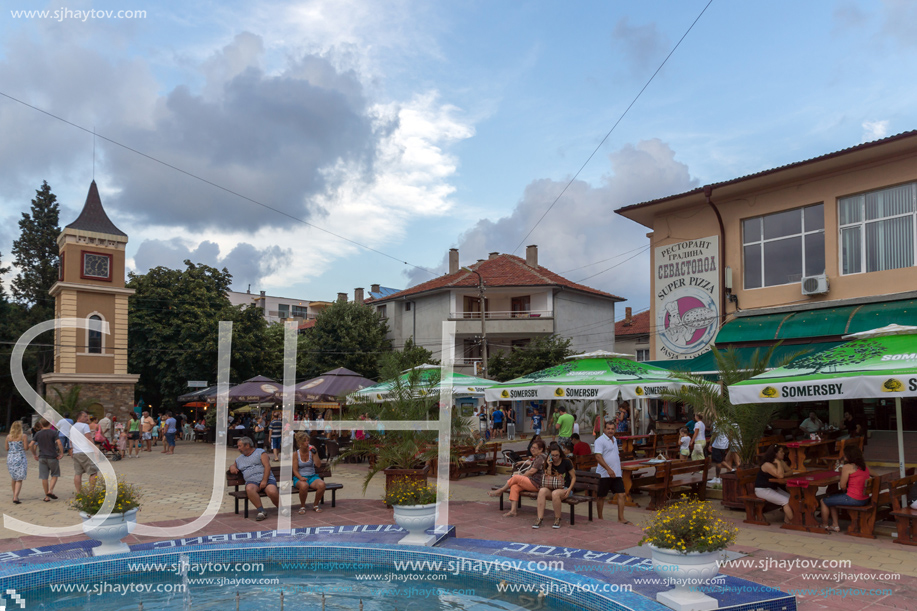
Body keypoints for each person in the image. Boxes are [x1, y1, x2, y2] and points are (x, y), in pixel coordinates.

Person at [488, 439, 547, 517]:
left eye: (534, 448)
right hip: (535, 482)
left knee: (516, 478)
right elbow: (533, 464)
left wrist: (521, 477)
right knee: (514, 486)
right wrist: (522, 462)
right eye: (531, 447)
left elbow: (532, 471)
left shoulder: (540, 457)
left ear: (541, 449)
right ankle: (513, 511)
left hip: (537, 484)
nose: (532, 449)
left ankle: (500, 490)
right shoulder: (541, 456)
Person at [820, 446, 870, 532]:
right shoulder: (864, 466)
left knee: (823, 501)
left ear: (849, 456)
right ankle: (835, 525)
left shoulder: (847, 467)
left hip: (853, 499)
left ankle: (824, 525)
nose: (844, 456)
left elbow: (842, 486)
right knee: (832, 498)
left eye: (845, 455)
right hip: (865, 498)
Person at [229, 436, 280, 521]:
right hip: (252, 482)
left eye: (240, 446)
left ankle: (281, 508)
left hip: (267, 479)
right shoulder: (239, 459)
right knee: (249, 488)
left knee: (272, 491)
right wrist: (232, 467)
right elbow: (233, 466)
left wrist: (264, 481)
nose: (238, 448)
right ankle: (261, 511)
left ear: (247, 445)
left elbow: (267, 466)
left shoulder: (260, 453)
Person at [594, 419, 631, 524]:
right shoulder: (600, 441)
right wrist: (608, 469)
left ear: (615, 429)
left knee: (622, 494)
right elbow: (598, 456)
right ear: (604, 429)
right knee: (601, 496)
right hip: (604, 474)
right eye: (608, 429)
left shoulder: (614, 439)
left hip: (616, 473)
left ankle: (621, 518)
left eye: (612, 429)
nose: (610, 431)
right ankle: (600, 518)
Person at [534, 442, 576, 529]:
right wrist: (549, 465)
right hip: (552, 487)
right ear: (550, 455)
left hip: (565, 488)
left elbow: (573, 477)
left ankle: (557, 519)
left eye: (557, 455)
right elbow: (548, 476)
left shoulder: (566, 462)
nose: (555, 457)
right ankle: (539, 518)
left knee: (555, 494)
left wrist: (569, 489)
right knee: (542, 491)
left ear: (560, 454)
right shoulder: (549, 461)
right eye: (553, 455)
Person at [754, 444, 793, 524]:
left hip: (773, 488)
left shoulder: (781, 461)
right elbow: (780, 475)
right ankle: (794, 522)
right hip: (763, 489)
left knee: (792, 499)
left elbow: (790, 471)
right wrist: (778, 464)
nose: (783, 453)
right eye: (781, 452)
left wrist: (782, 473)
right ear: (775, 454)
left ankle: (788, 520)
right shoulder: (767, 465)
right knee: (786, 501)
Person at [292, 432, 327, 513]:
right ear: (300, 443)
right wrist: (300, 478)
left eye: (308, 440)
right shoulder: (296, 454)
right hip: (299, 477)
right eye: (305, 441)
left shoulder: (311, 452)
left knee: (322, 484)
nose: (307, 443)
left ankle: (315, 504)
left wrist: (316, 453)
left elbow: (318, 465)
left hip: (312, 476)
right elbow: (295, 470)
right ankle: (302, 506)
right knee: (304, 486)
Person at [31, 419, 63, 502]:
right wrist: (61, 453)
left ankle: (46, 496)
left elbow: (31, 444)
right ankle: (50, 490)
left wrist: (34, 454)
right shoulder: (53, 432)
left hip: (42, 457)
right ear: (50, 423)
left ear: (41, 424)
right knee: (55, 474)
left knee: (44, 477)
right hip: (52, 456)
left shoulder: (38, 433)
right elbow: (59, 443)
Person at [70, 411, 98, 492]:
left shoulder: (72, 427)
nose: (87, 418)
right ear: (79, 418)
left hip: (76, 452)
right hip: (86, 451)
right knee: (93, 472)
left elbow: (71, 440)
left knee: (78, 473)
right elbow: (88, 437)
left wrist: (71, 449)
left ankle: (79, 492)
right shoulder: (85, 426)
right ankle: (91, 492)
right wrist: (95, 449)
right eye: (85, 416)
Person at [6, 421, 28, 504]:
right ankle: (15, 497)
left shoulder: (8, 437)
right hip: (20, 457)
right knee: (19, 478)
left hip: (10, 458)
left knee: (14, 477)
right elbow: (26, 448)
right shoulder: (23, 436)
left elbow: (6, 448)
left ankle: (14, 494)